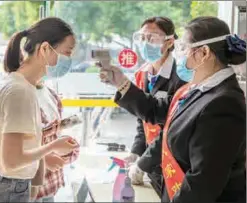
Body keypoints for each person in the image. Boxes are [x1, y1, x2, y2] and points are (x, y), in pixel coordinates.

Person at [99, 16, 246, 202]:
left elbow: (202, 184)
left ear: (204, 53)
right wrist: (120, 83)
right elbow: (161, 117)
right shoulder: (197, 89)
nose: (179, 53)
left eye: (184, 47)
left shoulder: (225, 103)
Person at [0, 17, 79, 202]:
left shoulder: (20, 85)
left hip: (3, 186)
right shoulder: (20, 91)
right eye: (67, 52)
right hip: (4, 187)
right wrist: (53, 147)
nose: (69, 60)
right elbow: (12, 161)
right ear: (45, 49)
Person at [123, 16, 187, 197]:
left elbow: (173, 129)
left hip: (172, 161)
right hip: (150, 162)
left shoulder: (181, 77)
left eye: (153, 38)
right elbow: (142, 120)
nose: (146, 43)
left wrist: (143, 162)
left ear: (169, 41)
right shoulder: (142, 74)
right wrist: (136, 152)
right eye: (142, 37)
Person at [32, 80, 80, 202]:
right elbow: (15, 143)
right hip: (29, 183)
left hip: (50, 181)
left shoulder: (49, 93)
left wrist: (64, 149)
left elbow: (51, 134)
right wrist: (43, 159)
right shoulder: (18, 95)